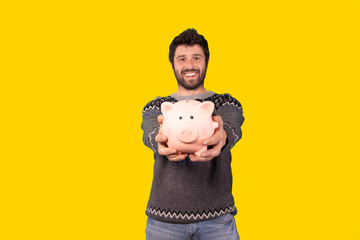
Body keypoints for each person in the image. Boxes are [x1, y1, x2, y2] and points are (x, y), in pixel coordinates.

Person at [141, 28, 244, 240]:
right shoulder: (157, 106)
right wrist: (160, 140)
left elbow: (231, 128)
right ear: (172, 64)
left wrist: (221, 137)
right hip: (164, 221)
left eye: (197, 58)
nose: (190, 65)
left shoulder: (224, 103)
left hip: (217, 219)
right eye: (182, 59)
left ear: (206, 61)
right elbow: (150, 132)